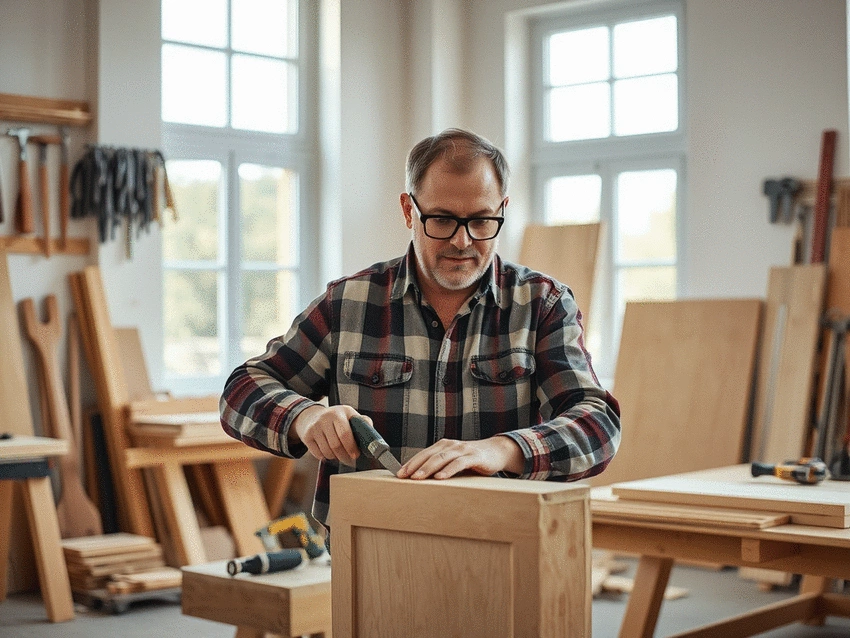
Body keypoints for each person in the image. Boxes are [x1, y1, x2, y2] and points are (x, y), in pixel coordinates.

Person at [220, 128, 620, 528]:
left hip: (499, 541)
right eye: (442, 219)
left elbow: (597, 424)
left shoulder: (541, 305)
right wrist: (304, 417)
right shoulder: (348, 304)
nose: (462, 241)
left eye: (482, 221)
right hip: (368, 543)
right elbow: (241, 390)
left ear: (502, 209)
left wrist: (501, 450)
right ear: (409, 210)